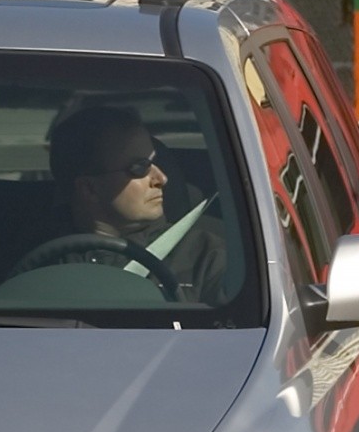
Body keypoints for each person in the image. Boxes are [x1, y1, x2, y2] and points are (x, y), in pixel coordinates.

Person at [39, 104, 227, 301]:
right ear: (89, 188)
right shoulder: (39, 258)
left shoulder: (205, 257)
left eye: (156, 162)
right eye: (139, 168)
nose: (161, 178)